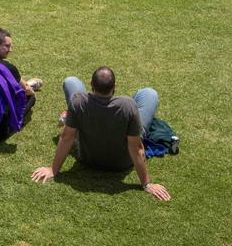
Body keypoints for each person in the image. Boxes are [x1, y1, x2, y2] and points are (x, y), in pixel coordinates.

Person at [31, 66, 170, 202]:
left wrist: (53, 170)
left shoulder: (78, 101)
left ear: (91, 84)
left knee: (70, 81)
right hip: (120, 164)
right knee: (149, 93)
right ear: (115, 85)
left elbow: (67, 137)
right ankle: (70, 117)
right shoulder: (128, 105)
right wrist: (146, 184)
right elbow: (136, 148)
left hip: (88, 158)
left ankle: (70, 117)